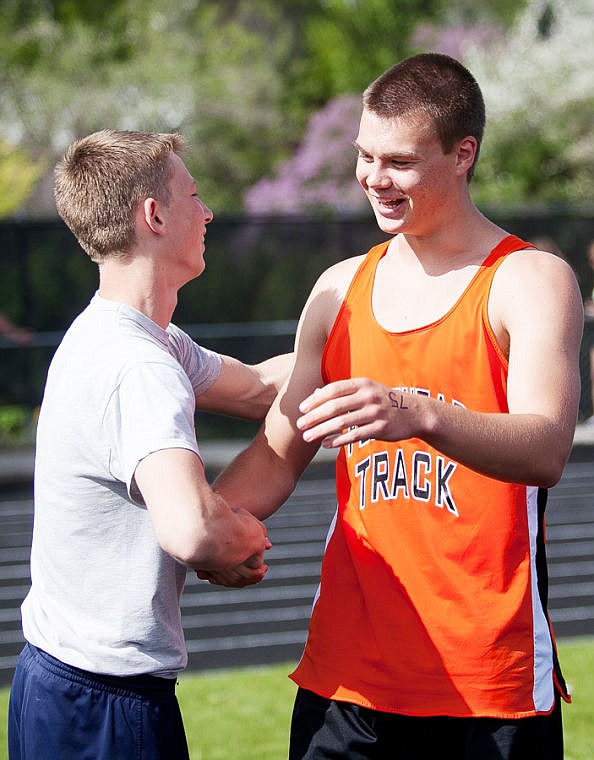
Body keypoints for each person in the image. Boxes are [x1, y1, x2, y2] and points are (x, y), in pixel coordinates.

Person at [209, 54, 584, 759]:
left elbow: (546, 449)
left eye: (400, 161)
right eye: (364, 156)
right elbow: (278, 451)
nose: (374, 179)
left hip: (486, 685)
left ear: (463, 153)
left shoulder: (529, 279)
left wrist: (420, 413)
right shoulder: (340, 287)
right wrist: (207, 528)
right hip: (347, 682)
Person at [7, 129, 290, 760]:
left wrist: (369, 338)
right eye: (194, 195)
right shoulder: (137, 366)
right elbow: (196, 534)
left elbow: (261, 389)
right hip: (103, 703)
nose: (208, 210)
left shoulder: (134, 338)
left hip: (58, 685)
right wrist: (242, 539)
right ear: (154, 215)